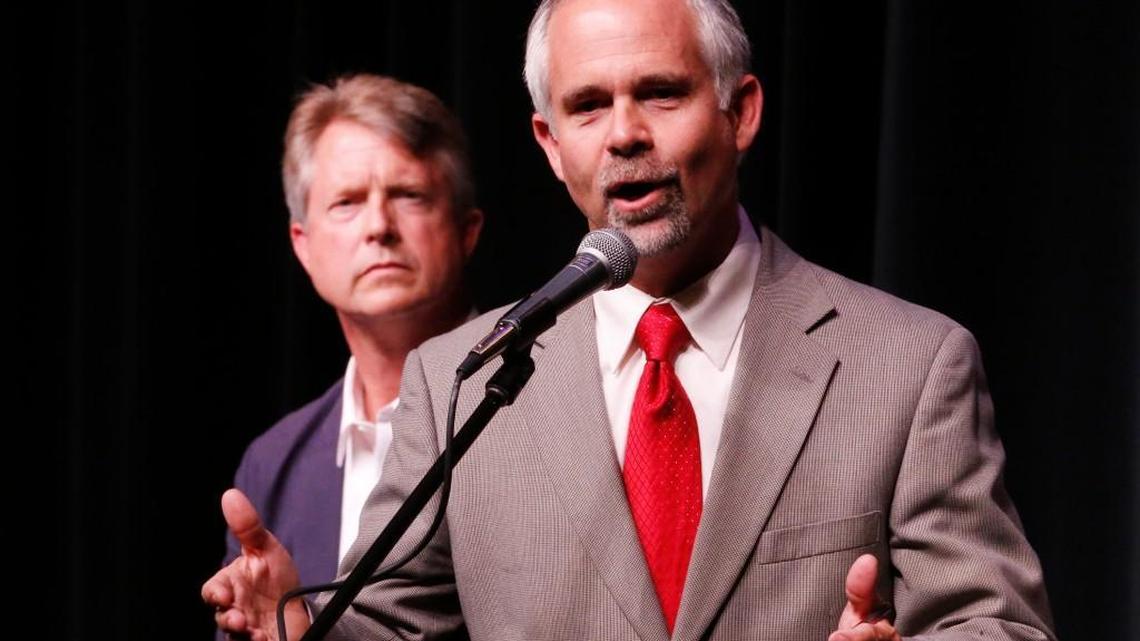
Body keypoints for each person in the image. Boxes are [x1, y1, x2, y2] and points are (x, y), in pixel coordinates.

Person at [203, 1, 1057, 640]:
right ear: (548, 141)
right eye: (587, 106)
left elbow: (1001, 623)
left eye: (660, 92)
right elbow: (391, 627)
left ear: (742, 111)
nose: (624, 134)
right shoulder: (457, 377)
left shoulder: (909, 364)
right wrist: (294, 621)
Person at [205, 73, 483, 636]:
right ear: (302, 246)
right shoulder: (272, 463)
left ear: (465, 230)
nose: (379, 227)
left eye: (408, 195)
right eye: (347, 202)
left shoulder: (544, 405)